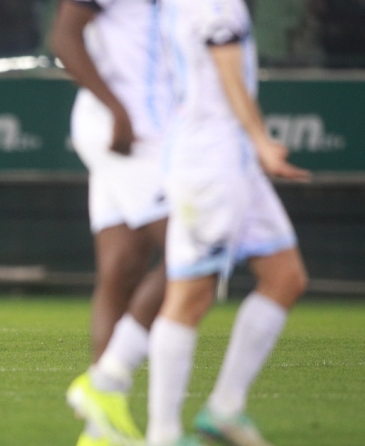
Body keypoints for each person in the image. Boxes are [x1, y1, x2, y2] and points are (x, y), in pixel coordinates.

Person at [147, 0, 310, 444]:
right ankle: (161, 435)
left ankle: (225, 408)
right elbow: (227, 69)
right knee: (190, 296)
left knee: (285, 276)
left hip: (229, 155)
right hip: (210, 158)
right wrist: (262, 140)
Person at [50, 0, 172, 444]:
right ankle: (106, 382)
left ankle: (100, 429)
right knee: (194, 253)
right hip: (122, 126)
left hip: (153, 125)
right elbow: (64, 37)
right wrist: (117, 108)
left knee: (122, 267)